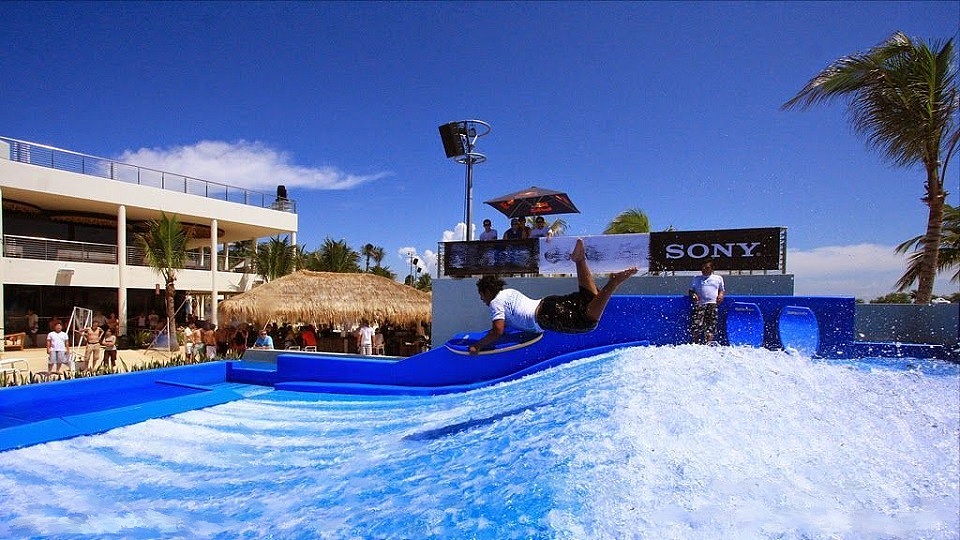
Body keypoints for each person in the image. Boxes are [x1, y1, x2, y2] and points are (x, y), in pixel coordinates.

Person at [469, 238, 638, 354]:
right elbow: (510, 320)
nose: (482, 299)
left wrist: (477, 345)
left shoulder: (495, 302)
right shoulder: (508, 293)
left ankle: (613, 283)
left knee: (587, 322)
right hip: (547, 304)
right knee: (586, 300)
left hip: (545, 316)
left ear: (486, 292)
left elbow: (497, 330)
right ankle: (579, 260)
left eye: (481, 295)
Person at [689, 260, 725, 344]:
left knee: (711, 325)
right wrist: (693, 295)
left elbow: (722, 290)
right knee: (696, 325)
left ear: (712, 269)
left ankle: (708, 343)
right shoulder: (696, 278)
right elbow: (691, 290)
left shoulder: (718, 278)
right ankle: (695, 344)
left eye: (707, 267)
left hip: (712, 304)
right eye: (703, 267)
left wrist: (720, 296)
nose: (705, 269)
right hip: (700, 304)